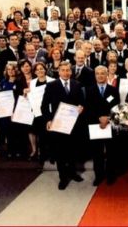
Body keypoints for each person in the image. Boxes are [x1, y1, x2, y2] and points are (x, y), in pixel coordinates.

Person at [41, 61, 86, 190]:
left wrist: (81, 107)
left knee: (72, 150)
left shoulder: (77, 84)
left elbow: (81, 102)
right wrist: (48, 120)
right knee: (60, 152)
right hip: (58, 124)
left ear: (71, 72)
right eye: (63, 70)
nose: (66, 72)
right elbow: (44, 105)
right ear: (59, 72)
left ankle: (73, 173)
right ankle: (63, 177)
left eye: (68, 70)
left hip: (74, 124)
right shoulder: (51, 85)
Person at [85, 66, 120, 186]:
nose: (100, 76)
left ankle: (111, 175)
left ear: (106, 75)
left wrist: (108, 118)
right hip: (96, 126)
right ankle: (98, 176)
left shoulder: (113, 90)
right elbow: (88, 109)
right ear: (95, 75)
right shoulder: (89, 90)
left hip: (110, 125)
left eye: (102, 73)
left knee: (111, 152)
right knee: (97, 153)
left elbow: (116, 108)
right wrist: (99, 118)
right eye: (97, 73)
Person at [29, 62, 55, 162]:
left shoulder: (52, 81)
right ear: (35, 72)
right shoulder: (32, 82)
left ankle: (53, 155)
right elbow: (32, 97)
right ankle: (42, 155)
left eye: (42, 69)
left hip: (49, 111)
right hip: (38, 112)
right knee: (41, 135)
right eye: (37, 69)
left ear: (45, 70)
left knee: (51, 135)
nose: (40, 71)